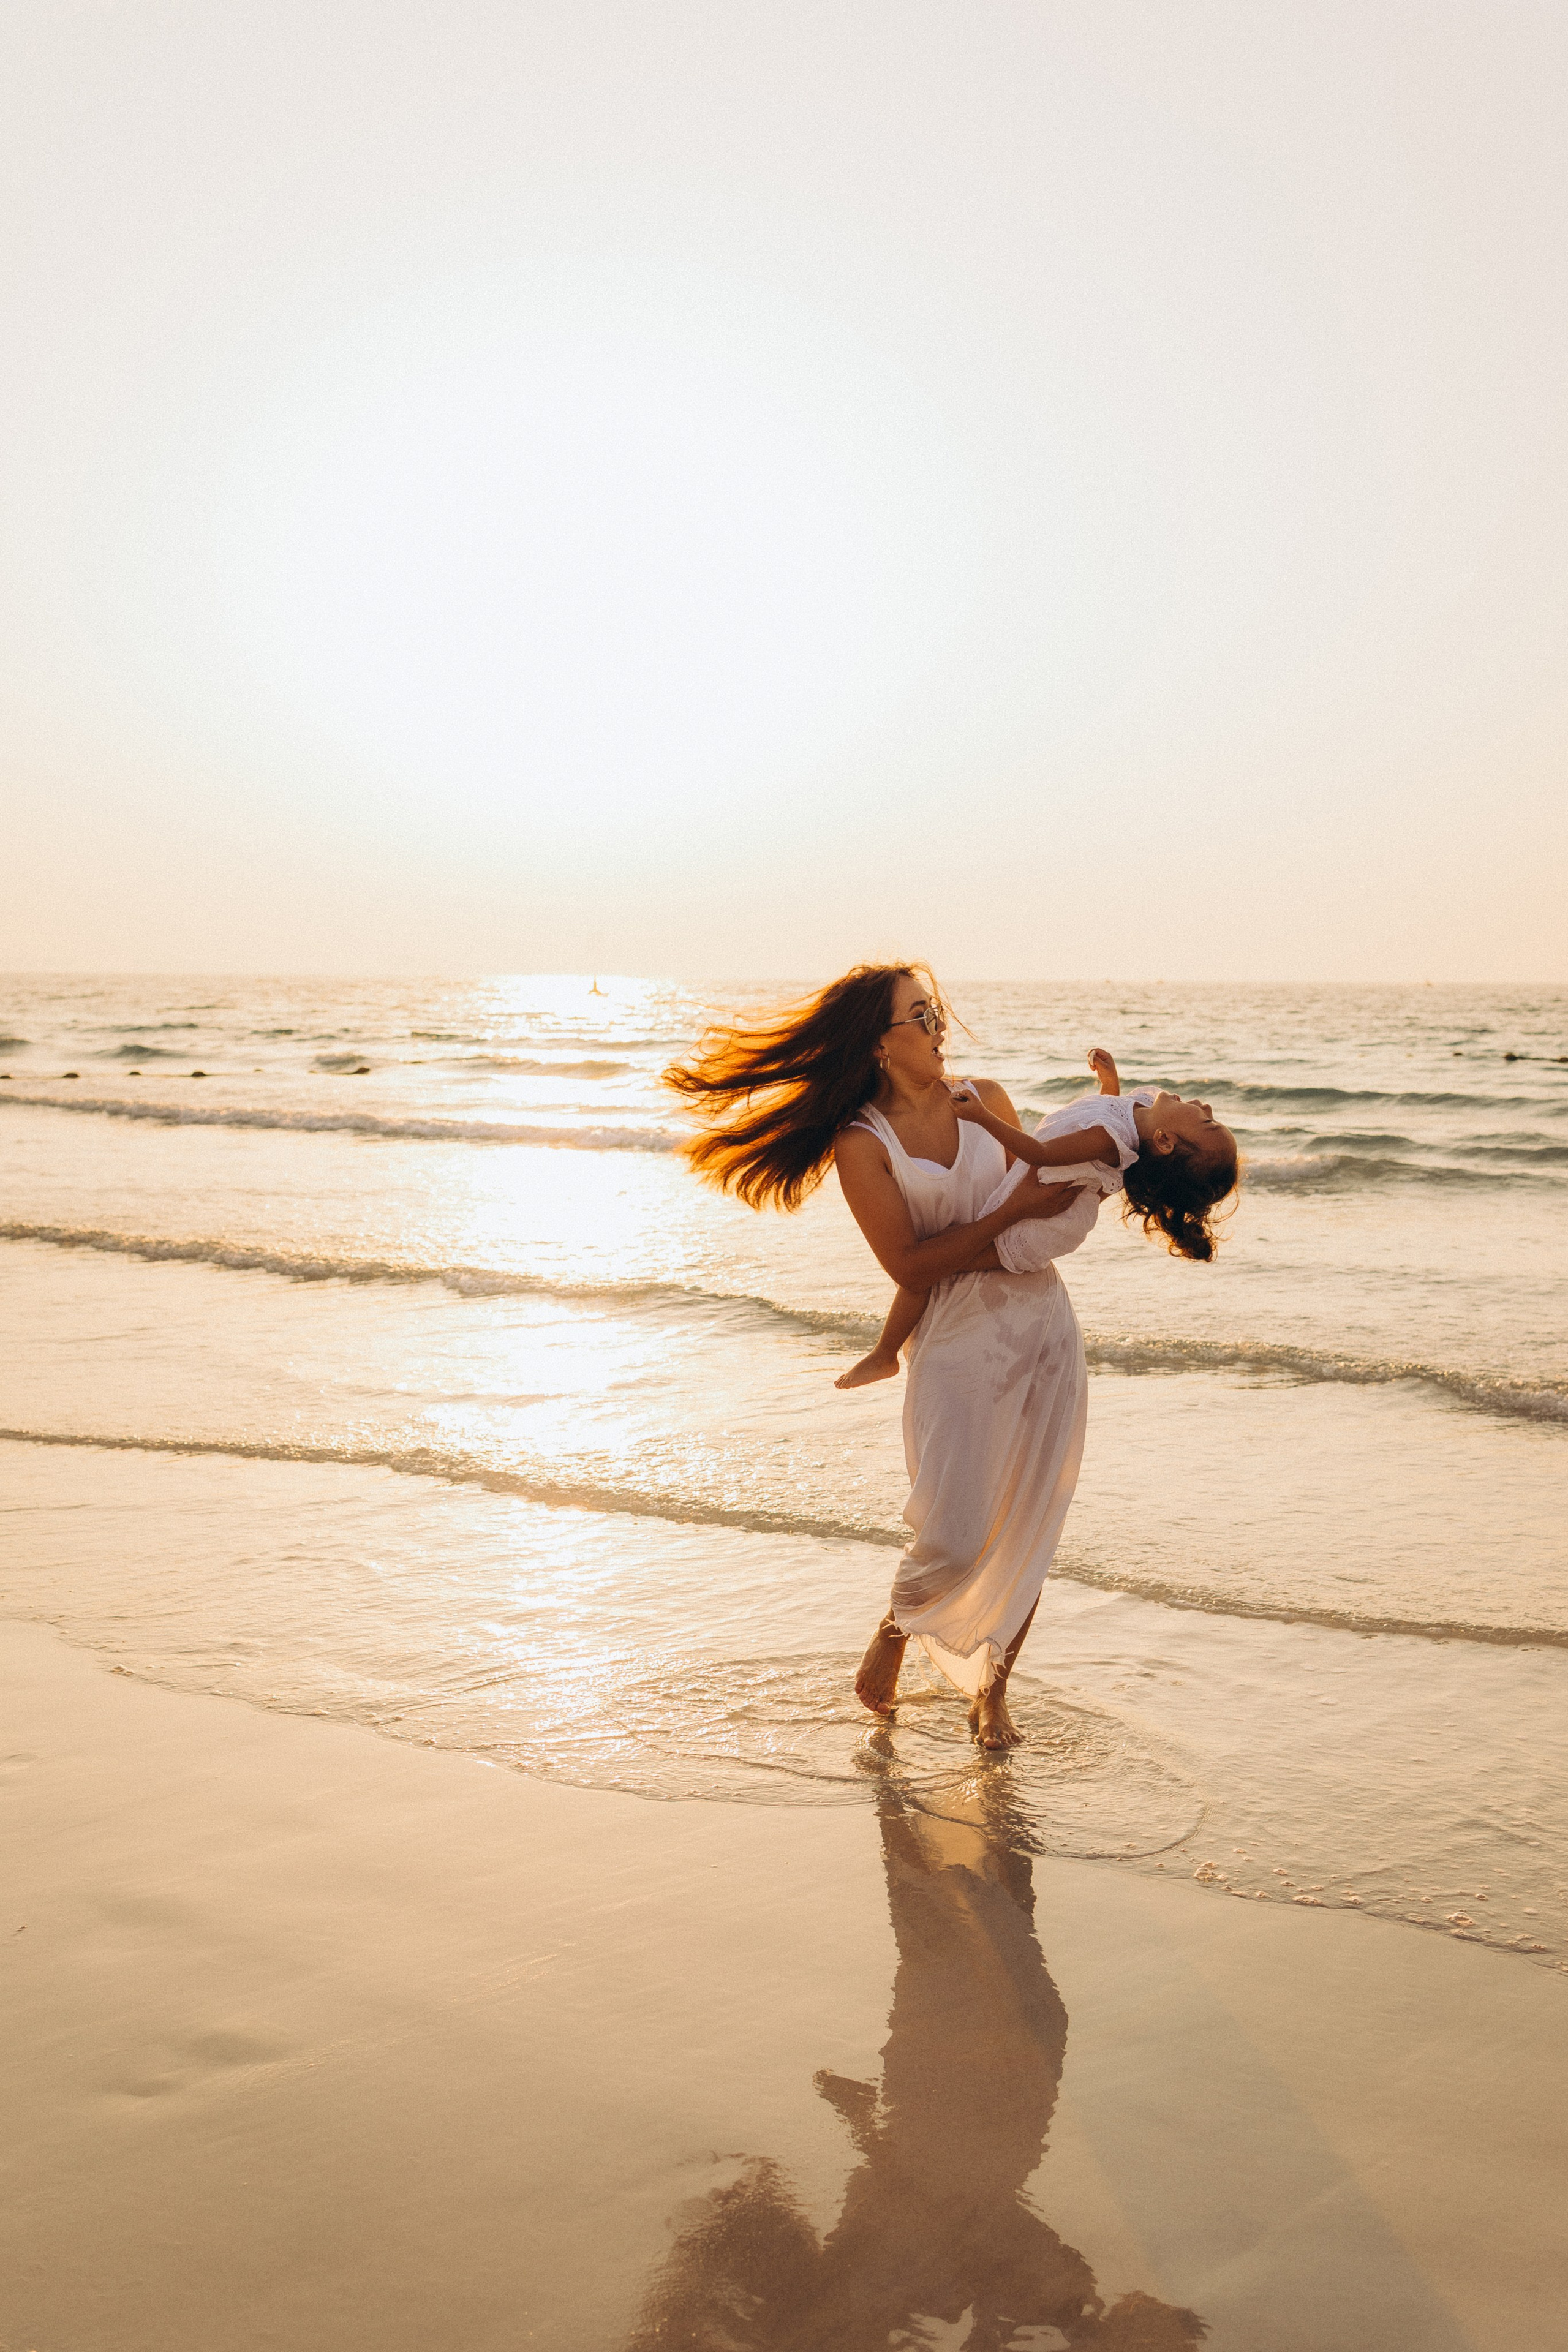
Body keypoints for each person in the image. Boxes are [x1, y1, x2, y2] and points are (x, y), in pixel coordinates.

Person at [665, 962, 1094, 1751]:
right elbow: (908, 1266)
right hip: (958, 1344)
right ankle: (896, 1630)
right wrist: (1013, 1224)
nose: (938, 1026)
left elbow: (1033, 1212)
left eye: (936, 1010)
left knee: (1030, 1524)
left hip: (1043, 1332)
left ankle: (992, 1697)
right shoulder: (863, 1143)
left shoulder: (988, 1102)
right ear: (878, 1043)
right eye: (918, 1015)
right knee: (959, 1532)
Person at [836, 1047, 1238, 1388]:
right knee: (943, 1252)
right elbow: (1104, 1115)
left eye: (1207, 1121)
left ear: (1165, 1141)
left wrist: (982, 1117)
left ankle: (885, 1353)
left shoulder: (1113, 1141)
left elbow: (1040, 1154)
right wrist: (1109, 1084)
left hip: (1044, 1225)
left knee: (939, 1261)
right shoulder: (1134, 1115)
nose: (1205, 1105)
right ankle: (886, 1352)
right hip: (1043, 1201)